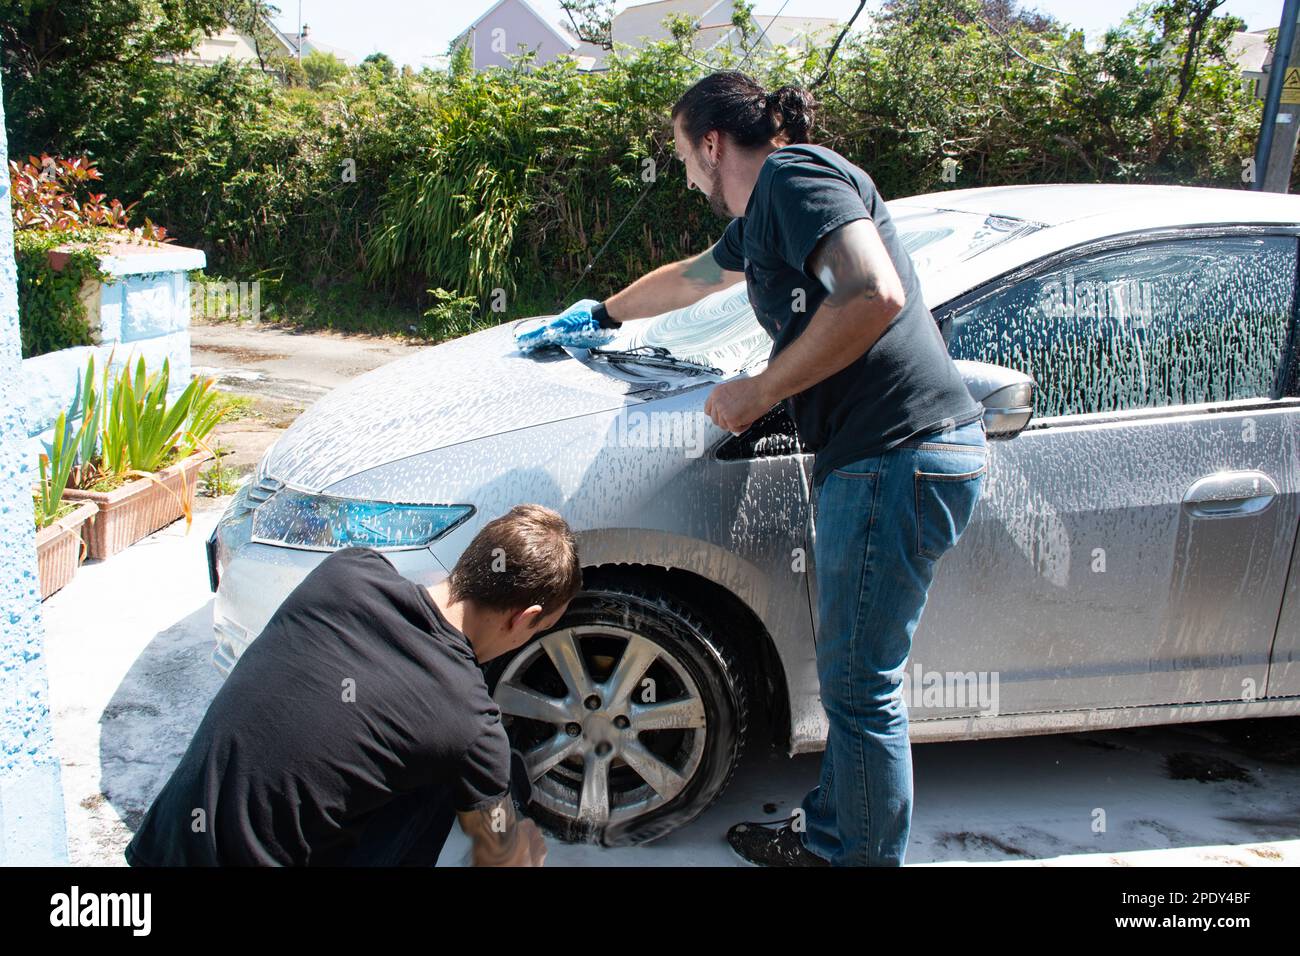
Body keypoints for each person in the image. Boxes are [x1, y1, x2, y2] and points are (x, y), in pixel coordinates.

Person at [517, 72, 986, 866]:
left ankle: (853, 859)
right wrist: (600, 313)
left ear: (710, 143)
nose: (688, 176)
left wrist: (762, 389)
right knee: (851, 679)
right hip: (886, 456)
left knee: (861, 688)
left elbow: (872, 293)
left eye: (684, 157)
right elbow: (695, 277)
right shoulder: (768, 207)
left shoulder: (794, 176)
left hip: (896, 456)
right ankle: (838, 833)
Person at [125, 504, 581, 866]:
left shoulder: (348, 571)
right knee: (480, 781)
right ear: (526, 619)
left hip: (163, 849)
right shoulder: (470, 722)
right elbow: (500, 855)